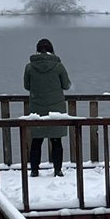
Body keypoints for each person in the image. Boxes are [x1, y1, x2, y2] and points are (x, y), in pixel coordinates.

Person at [23, 38, 72, 177]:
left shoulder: (30, 67)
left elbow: (27, 86)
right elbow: (66, 85)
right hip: (56, 108)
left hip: (37, 108)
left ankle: (34, 170)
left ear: (37, 50)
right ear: (52, 50)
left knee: (36, 141)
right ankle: (57, 170)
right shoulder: (58, 66)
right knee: (56, 141)